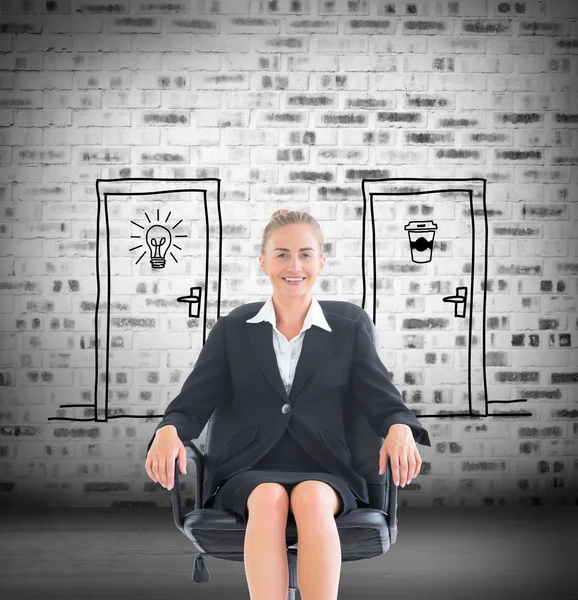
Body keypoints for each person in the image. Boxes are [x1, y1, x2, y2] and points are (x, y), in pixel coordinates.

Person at [145, 208, 430, 600]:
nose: (294, 265)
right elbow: (192, 402)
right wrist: (168, 430)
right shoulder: (232, 329)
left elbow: (383, 398)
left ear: (321, 262)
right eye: (281, 254)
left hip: (326, 467)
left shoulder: (349, 329)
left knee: (311, 498)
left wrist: (399, 427)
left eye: (305, 254)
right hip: (247, 467)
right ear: (263, 262)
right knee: (268, 497)